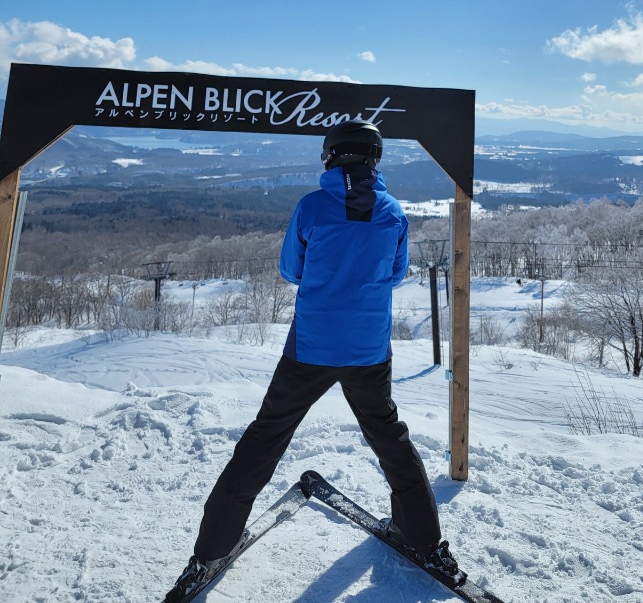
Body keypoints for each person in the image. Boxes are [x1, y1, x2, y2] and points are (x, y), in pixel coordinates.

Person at [164, 120, 461, 602]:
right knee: (390, 439)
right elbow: (396, 273)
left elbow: (290, 269)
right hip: (367, 350)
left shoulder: (311, 207)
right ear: (374, 158)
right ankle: (424, 540)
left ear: (330, 156)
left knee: (265, 440)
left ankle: (210, 550)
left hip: (311, 347)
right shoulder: (393, 212)